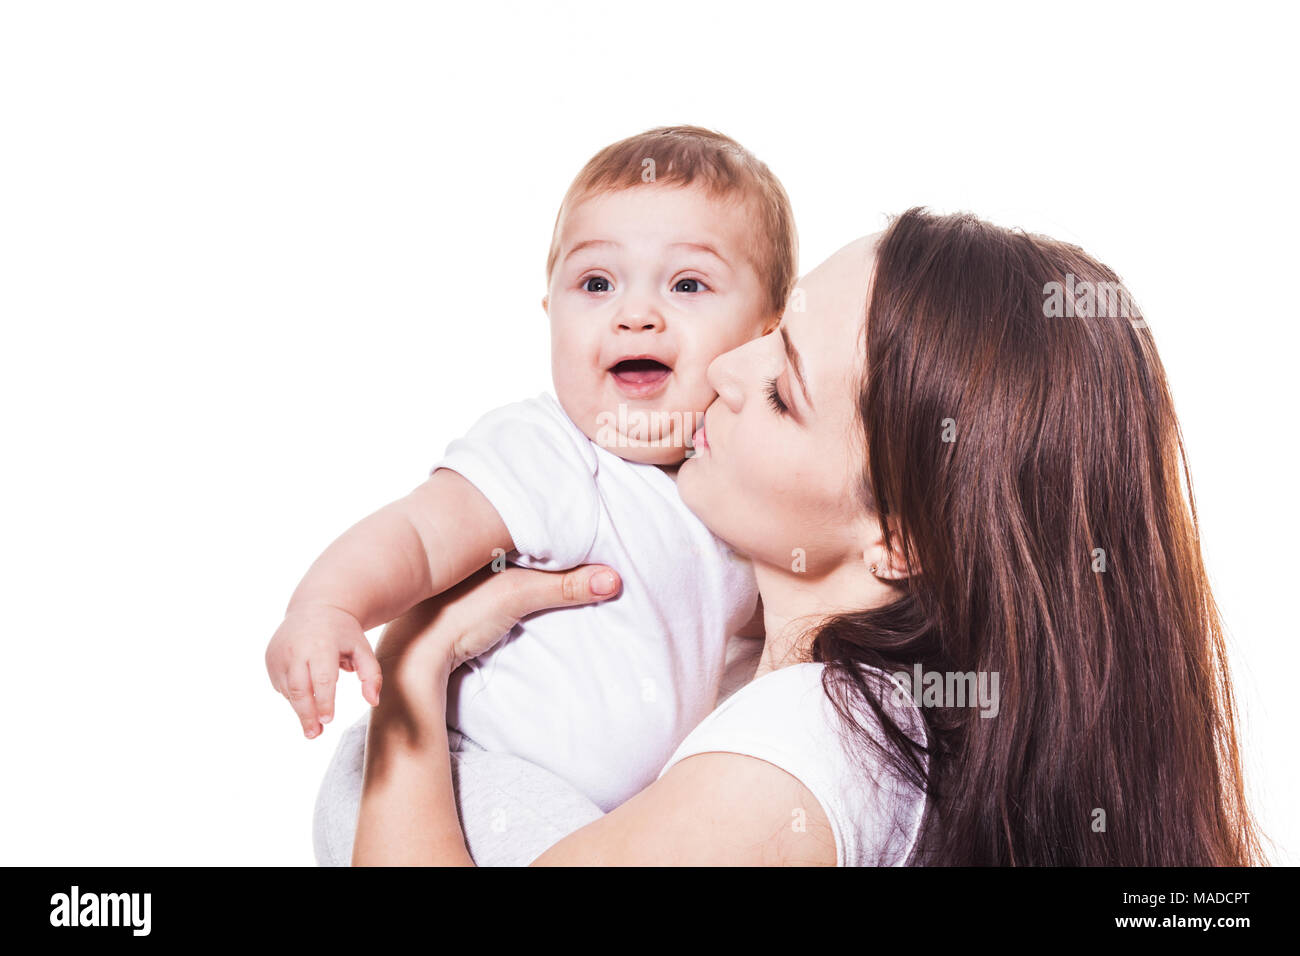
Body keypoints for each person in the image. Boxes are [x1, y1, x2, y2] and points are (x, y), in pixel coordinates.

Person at [348, 208, 1265, 866]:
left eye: (784, 393)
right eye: (775, 326)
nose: (727, 367)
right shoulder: (897, 731)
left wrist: (416, 677)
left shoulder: (795, 754)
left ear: (900, 543)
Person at [264, 127, 803, 860]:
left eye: (686, 285)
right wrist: (328, 606)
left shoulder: (734, 498)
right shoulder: (552, 453)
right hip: (453, 772)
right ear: (549, 312)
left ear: (765, 335)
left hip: (556, 804)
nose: (634, 314)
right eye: (596, 283)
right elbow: (420, 535)